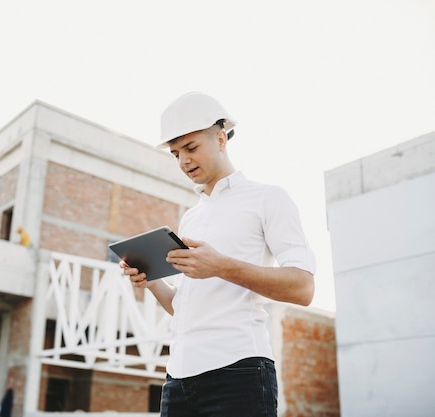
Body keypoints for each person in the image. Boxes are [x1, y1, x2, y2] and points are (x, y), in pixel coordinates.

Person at [121, 92, 316, 417]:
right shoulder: (191, 217)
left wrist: (220, 266)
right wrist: (151, 282)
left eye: (192, 148)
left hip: (238, 373)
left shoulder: (268, 199)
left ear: (221, 138)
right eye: (176, 153)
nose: (183, 161)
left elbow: (304, 288)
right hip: (178, 379)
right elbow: (182, 308)